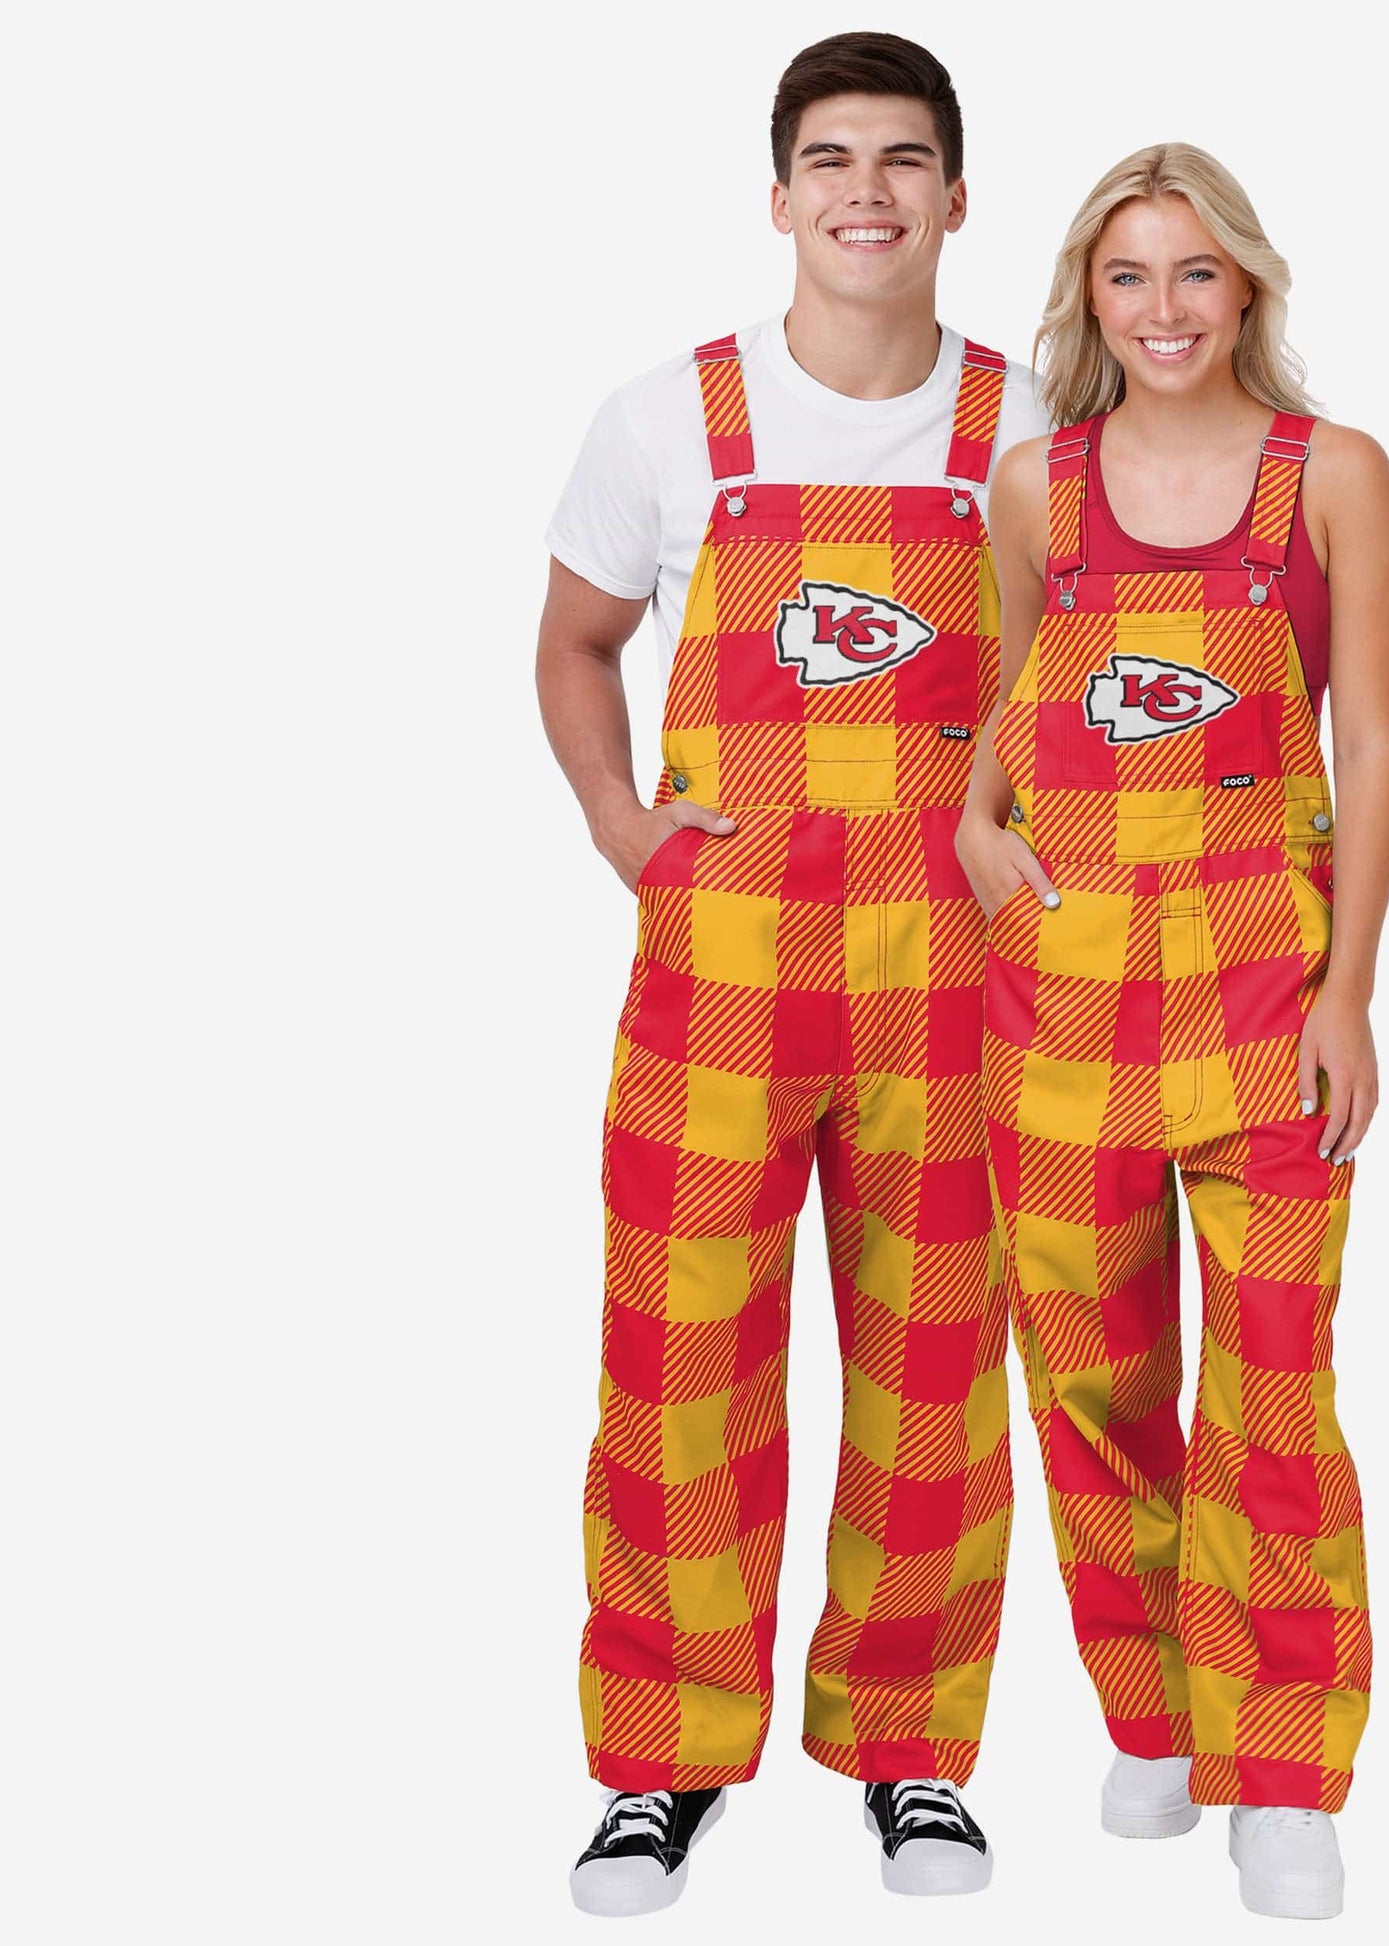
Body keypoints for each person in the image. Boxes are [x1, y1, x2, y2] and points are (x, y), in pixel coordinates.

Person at [537, 32, 1046, 1914]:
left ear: (956, 197)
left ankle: (911, 1749)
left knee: (935, 1375)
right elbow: (575, 641)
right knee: (678, 1363)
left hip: (956, 980)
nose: (865, 193)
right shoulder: (665, 419)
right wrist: (620, 822)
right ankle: (659, 1761)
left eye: (902, 160)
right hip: (720, 978)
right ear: (778, 198)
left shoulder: (1030, 427)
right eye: (830, 160)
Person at [957, 144, 1389, 1921]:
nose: (1163, 309)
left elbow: (1368, 745)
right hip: (1062, 987)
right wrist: (978, 828)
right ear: (1088, 295)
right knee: (1090, 1372)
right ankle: (1153, 1713)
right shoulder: (1033, 484)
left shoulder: (1332, 473)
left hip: (1262, 982)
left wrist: (1349, 988)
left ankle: (1280, 1770)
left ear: (1247, 288)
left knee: (1273, 1387)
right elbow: (1010, 687)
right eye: (1128, 274)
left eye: (1195, 272)